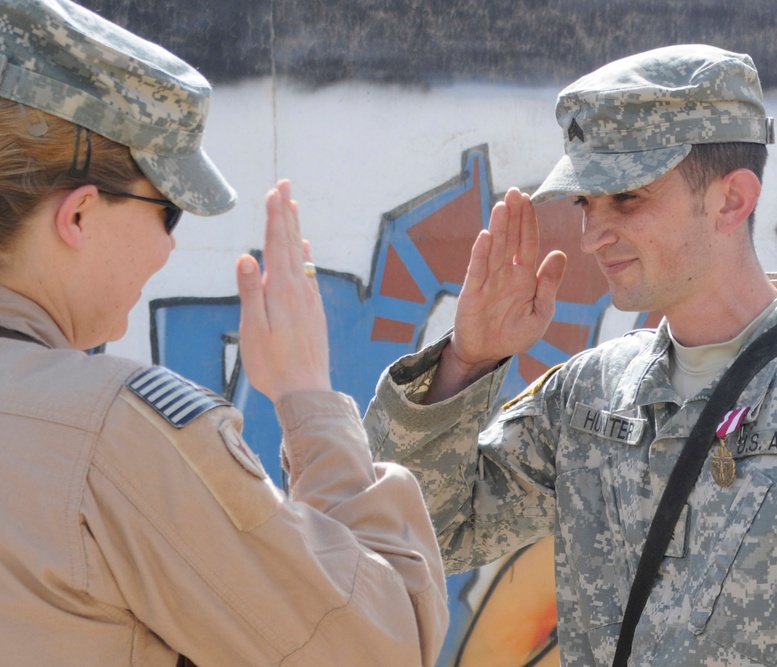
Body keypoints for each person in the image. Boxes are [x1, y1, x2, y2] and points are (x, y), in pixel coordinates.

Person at [364, 44, 777, 666]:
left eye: (628, 197)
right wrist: (465, 364)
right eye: (587, 202)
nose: (592, 234)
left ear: (731, 199)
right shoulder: (590, 397)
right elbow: (425, 535)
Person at [0, 1, 447, 664]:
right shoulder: (112, 435)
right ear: (81, 214)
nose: (167, 251)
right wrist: (307, 398)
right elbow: (377, 647)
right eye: (168, 211)